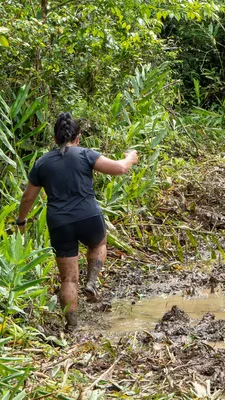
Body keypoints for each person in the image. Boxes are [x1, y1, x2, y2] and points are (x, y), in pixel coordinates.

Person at [15, 112, 139, 332]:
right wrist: (130, 156)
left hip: (59, 223)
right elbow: (120, 168)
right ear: (78, 137)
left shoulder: (42, 163)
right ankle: (91, 281)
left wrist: (21, 221)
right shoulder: (86, 154)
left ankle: (72, 326)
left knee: (68, 280)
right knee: (98, 244)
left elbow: (28, 198)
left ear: (55, 138)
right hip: (88, 215)